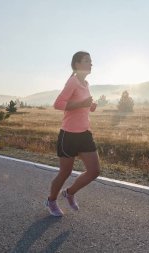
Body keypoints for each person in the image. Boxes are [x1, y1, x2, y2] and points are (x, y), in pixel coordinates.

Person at [45, 51, 100, 216]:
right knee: (65, 172)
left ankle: (69, 193)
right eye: (87, 61)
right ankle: (51, 200)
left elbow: (81, 104)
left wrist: (90, 106)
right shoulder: (73, 81)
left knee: (94, 171)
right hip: (68, 135)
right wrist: (81, 103)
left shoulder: (85, 84)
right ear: (77, 64)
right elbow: (58, 104)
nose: (91, 64)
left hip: (84, 133)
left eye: (91, 61)